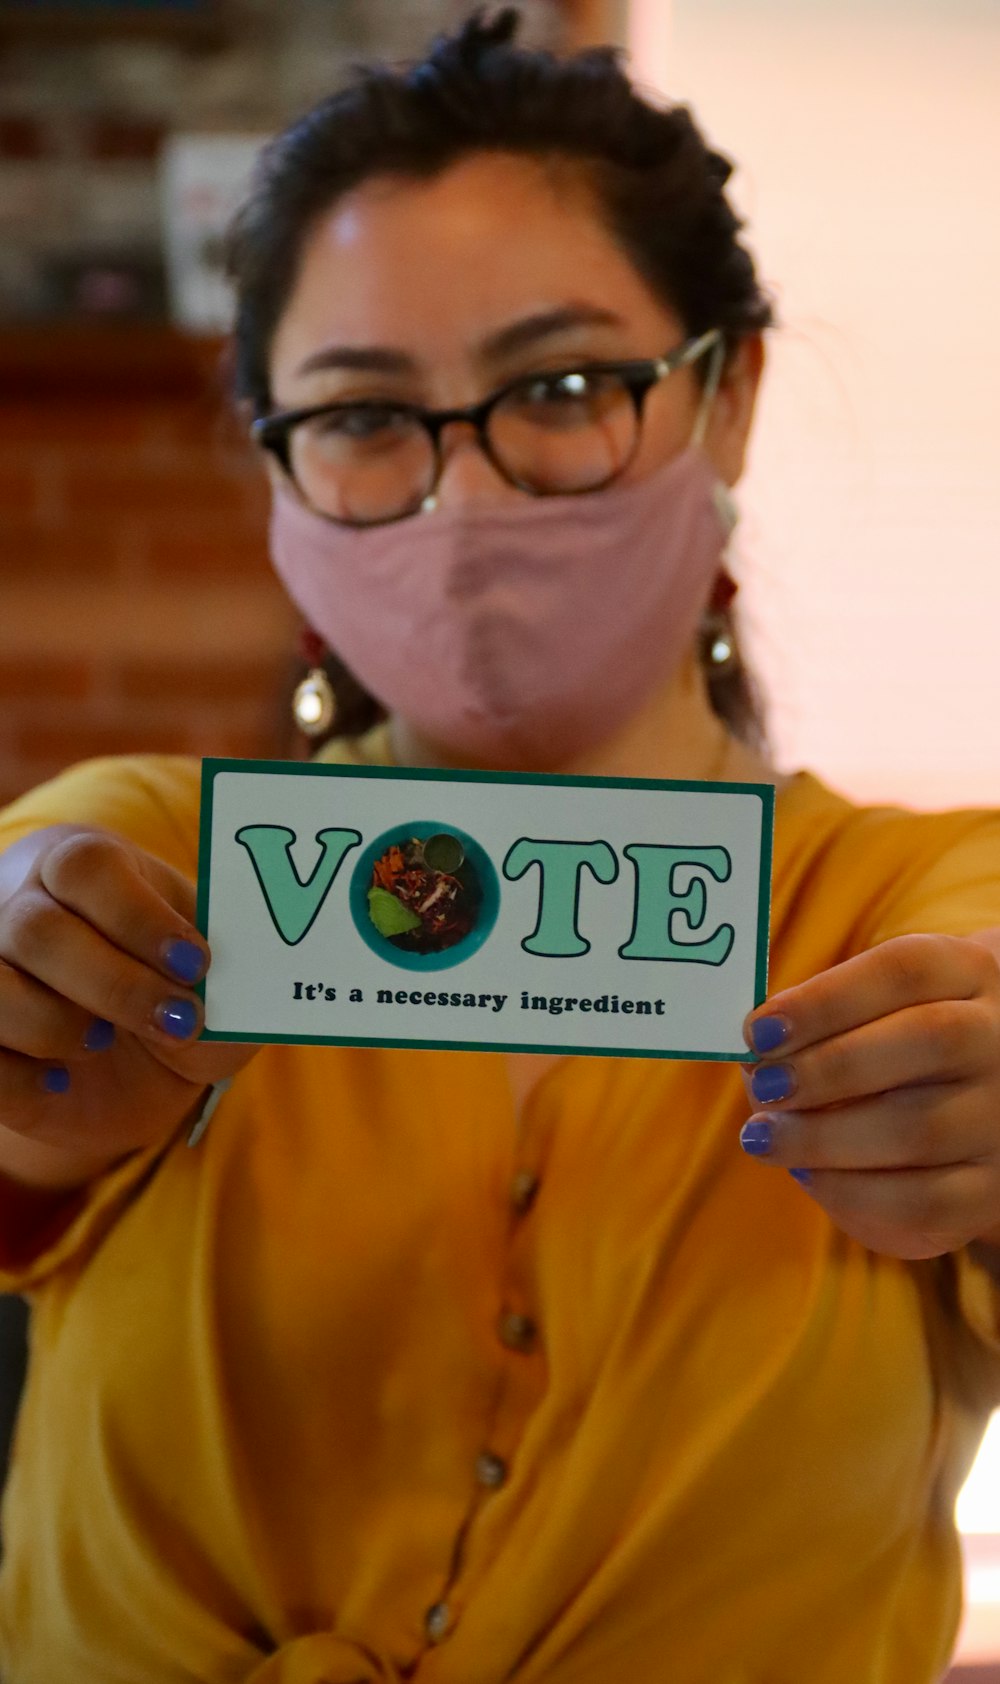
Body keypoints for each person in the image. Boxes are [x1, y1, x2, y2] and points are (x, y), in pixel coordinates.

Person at [0, 10, 998, 1681]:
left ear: (728, 395)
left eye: (562, 387)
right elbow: (35, 896)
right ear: (275, 467)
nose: (464, 496)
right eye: (363, 415)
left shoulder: (906, 916)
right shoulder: (159, 863)